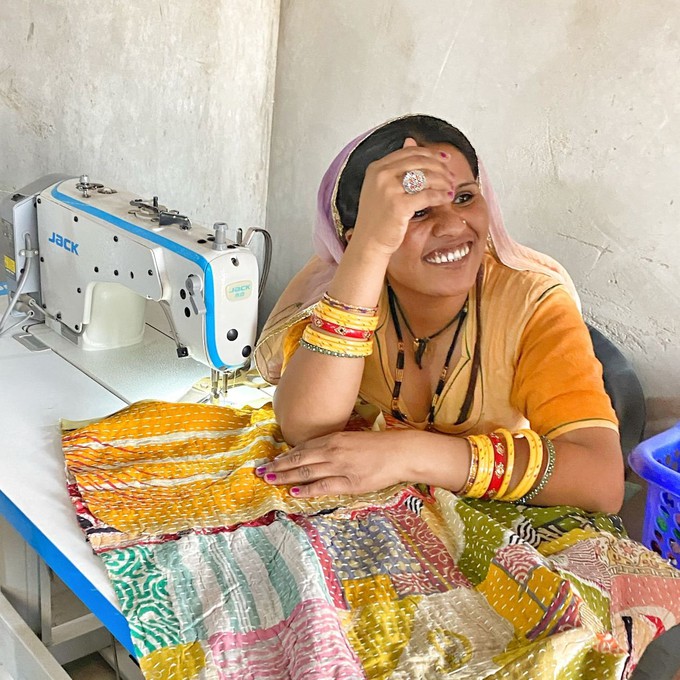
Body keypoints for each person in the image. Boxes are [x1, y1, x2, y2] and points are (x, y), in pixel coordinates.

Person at [254, 114, 625, 513]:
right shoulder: (350, 286)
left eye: (464, 197)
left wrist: (408, 453)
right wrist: (369, 253)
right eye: (416, 212)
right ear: (356, 238)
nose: (452, 227)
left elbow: (601, 483)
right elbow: (306, 429)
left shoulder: (532, 304)